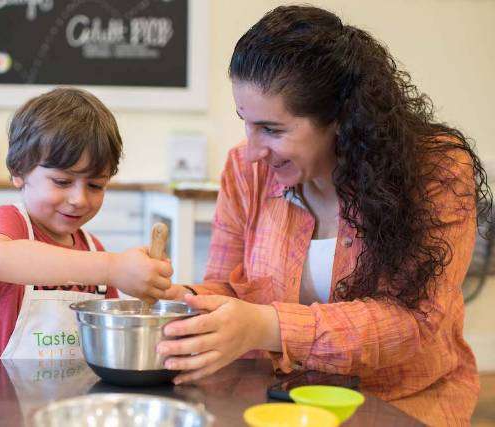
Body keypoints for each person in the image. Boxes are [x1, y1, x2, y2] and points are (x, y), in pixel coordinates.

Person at [159, 5, 490, 425]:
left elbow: (413, 323)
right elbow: (228, 286)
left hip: (404, 401)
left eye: (272, 129)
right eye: (246, 122)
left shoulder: (436, 172)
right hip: (282, 397)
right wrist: (184, 301)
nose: (253, 150)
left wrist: (268, 325)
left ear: (341, 120)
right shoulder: (245, 171)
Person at [0, 87, 173, 360]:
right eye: (62, 181)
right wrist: (112, 267)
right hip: (10, 388)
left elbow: (108, 337)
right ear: (19, 171)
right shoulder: (11, 223)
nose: (79, 199)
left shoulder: (93, 248)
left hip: (81, 387)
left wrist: (144, 282)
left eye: (95, 185)